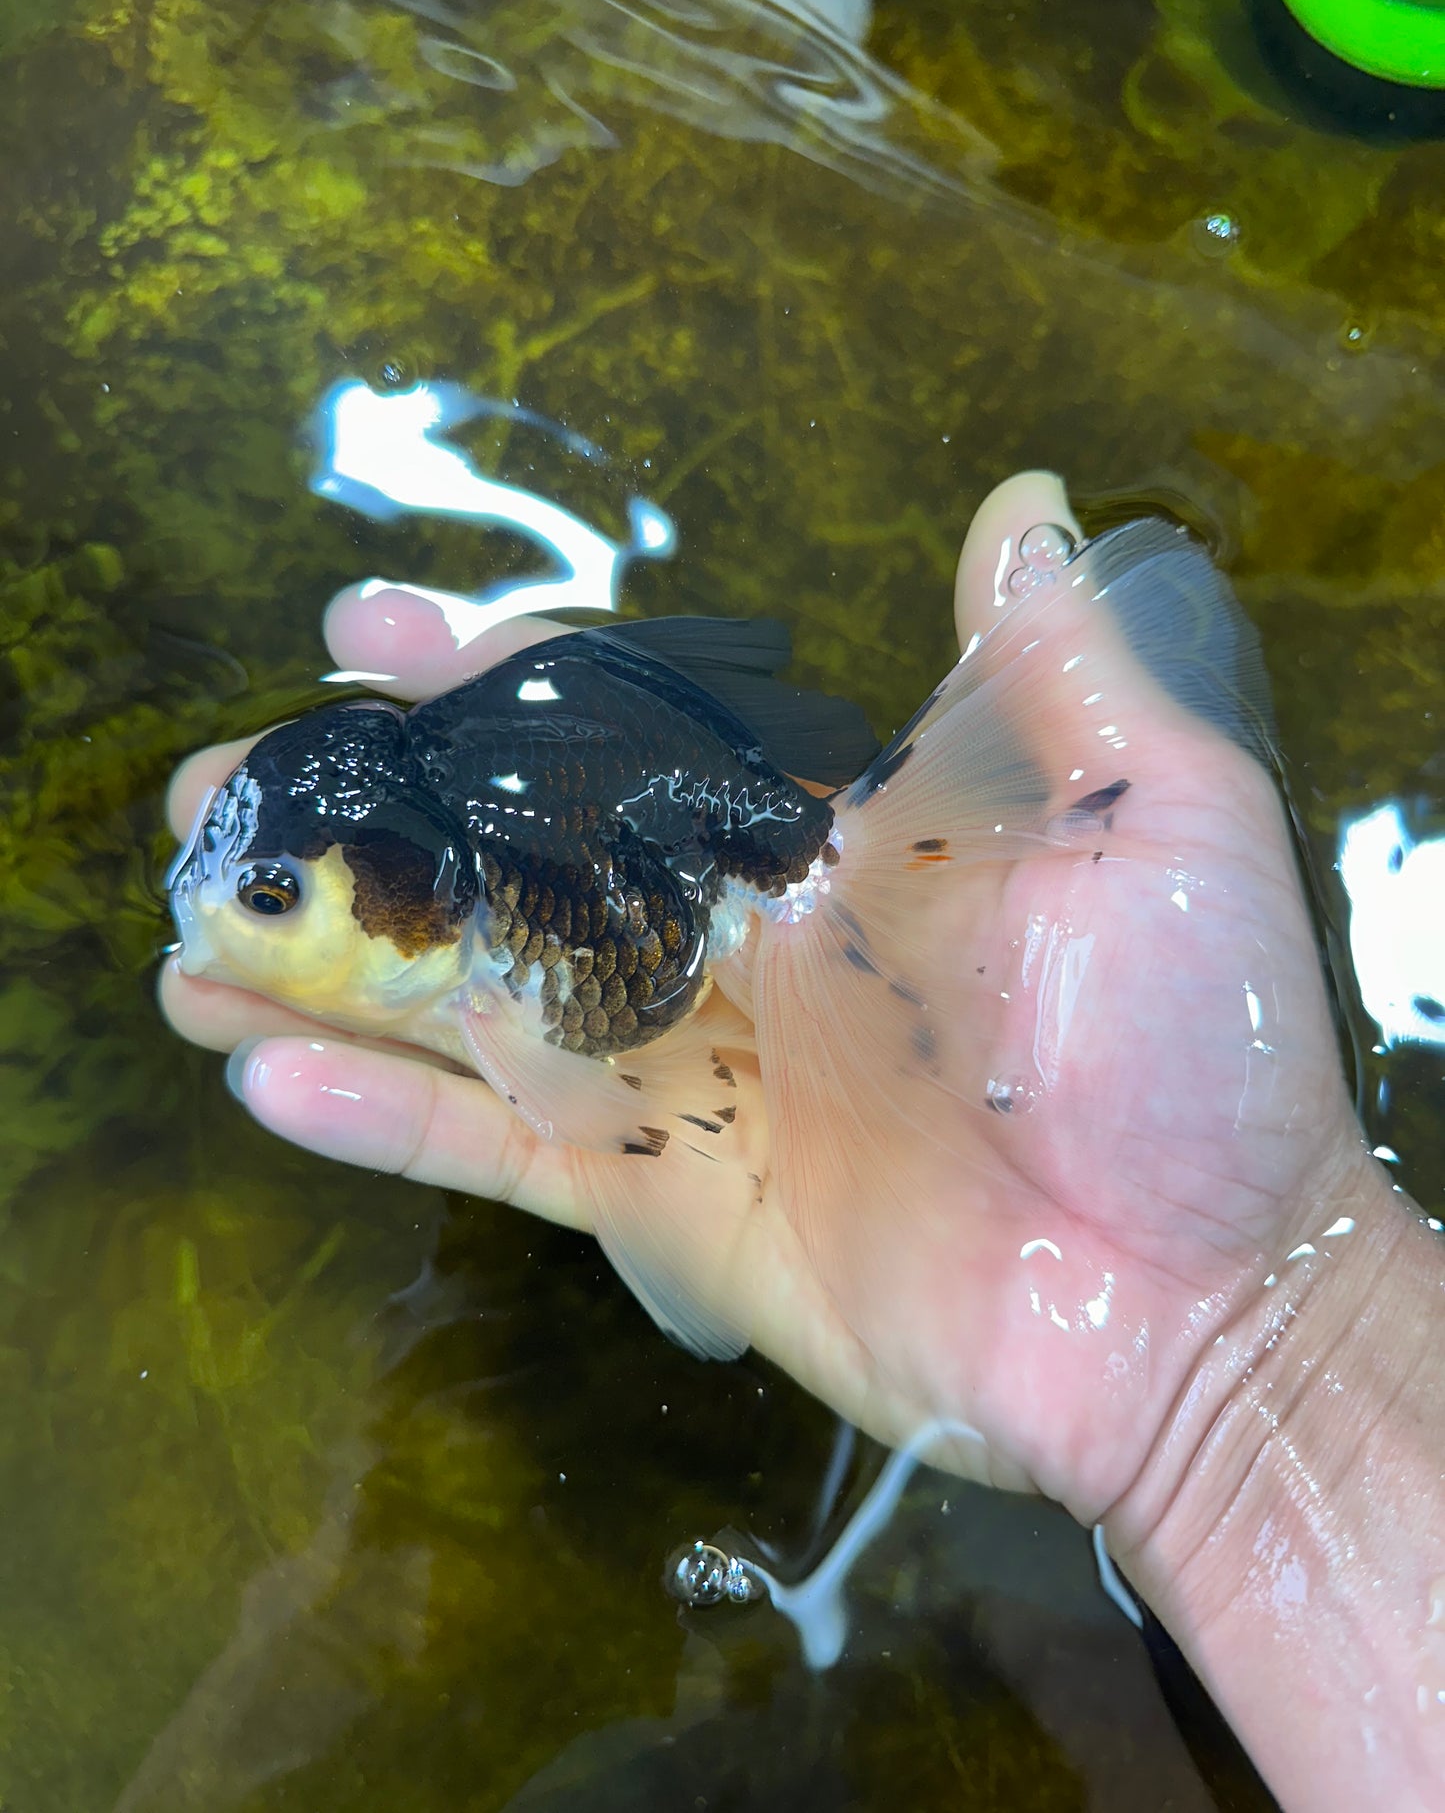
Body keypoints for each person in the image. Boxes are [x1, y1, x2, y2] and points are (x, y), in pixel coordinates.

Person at [161, 471, 1445, 1812]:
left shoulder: (503, 939)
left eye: (271, 896)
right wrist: (1263, 1351)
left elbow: (593, 1107)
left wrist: (1257, 1338)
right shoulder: (457, 860)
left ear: (412, 892)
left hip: (742, 873)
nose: (233, 921)